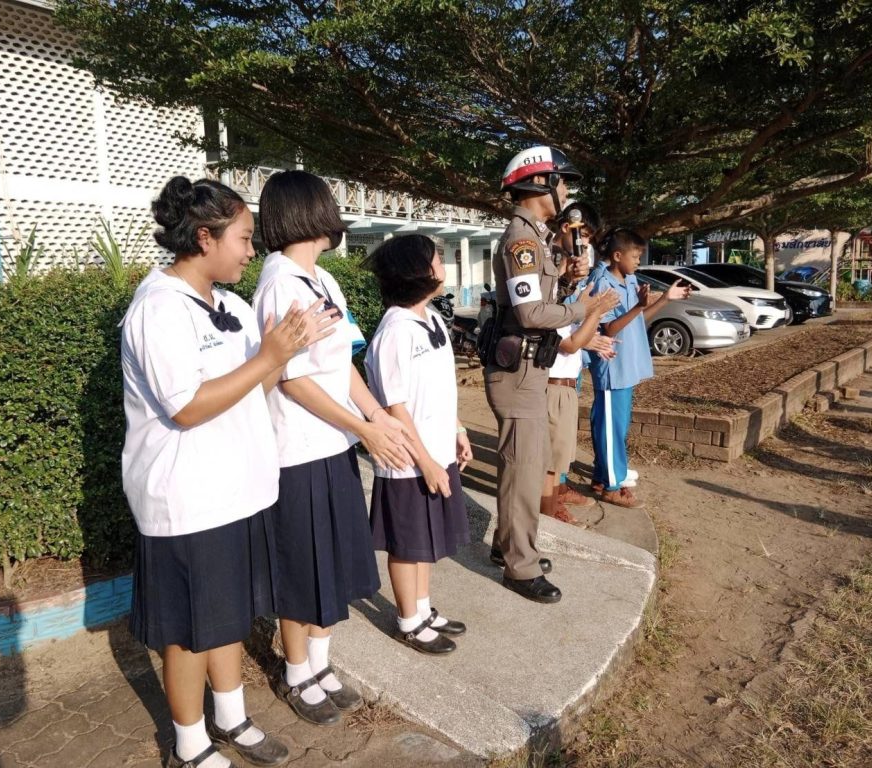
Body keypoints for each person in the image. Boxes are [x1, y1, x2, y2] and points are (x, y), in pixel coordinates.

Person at [121, 176, 338, 768]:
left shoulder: (233, 306)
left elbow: (252, 390)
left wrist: (284, 356)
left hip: (238, 492)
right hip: (187, 498)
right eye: (243, 238)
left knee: (226, 616)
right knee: (191, 629)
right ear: (204, 237)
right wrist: (269, 355)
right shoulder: (158, 308)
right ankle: (189, 745)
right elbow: (187, 407)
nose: (251, 250)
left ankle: (231, 716)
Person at [252, 170, 413, 726]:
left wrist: (375, 416)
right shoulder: (280, 284)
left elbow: (342, 365)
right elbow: (291, 379)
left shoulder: (321, 280)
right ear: (308, 212)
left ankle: (321, 664)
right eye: (327, 202)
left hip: (333, 444)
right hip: (297, 453)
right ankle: (297, 671)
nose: (336, 212)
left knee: (334, 563)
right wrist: (363, 429)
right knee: (302, 567)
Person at [483, 146, 616, 604]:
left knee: (527, 465)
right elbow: (531, 313)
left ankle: (508, 546)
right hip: (517, 372)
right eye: (562, 182)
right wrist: (584, 307)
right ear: (540, 183)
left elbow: (540, 300)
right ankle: (519, 566)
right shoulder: (521, 240)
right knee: (522, 472)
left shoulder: (535, 239)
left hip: (529, 370)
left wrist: (568, 282)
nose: (566, 192)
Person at [364, 235, 474, 655]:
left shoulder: (431, 320)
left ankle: (423, 609)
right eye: (437, 259)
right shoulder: (395, 330)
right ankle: (408, 620)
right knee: (407, 543)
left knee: (427, 539)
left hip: (435, 453)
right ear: (416, 271)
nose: (443, 265)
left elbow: (440, 390)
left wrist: (458, 430)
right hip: (408, 459)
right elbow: (396, 407)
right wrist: (425, 461)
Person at [586, 228, 690, 508]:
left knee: (617, 427)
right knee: (610, 427)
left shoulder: (629, 279)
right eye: (635, 256)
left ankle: (603, 476)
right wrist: (637, 308)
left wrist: (665, 298)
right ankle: (611, 486)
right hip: (612, 367)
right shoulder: (603, 282)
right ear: (617, 256)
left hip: (627, 366)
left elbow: (638, 319)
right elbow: (608, 328)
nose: (638, 262)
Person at [543, 202, 619, 524]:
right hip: (552, 379)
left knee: (558, 456)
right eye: (583, 236)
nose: (584, 246)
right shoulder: (546, 263)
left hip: (565, 378)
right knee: (549, 461)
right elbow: (566, 336)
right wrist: (595, 312)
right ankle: (548, 512)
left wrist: (589, 328)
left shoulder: (564, 275)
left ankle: (554, 499)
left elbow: (569, 326)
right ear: (567, 228)